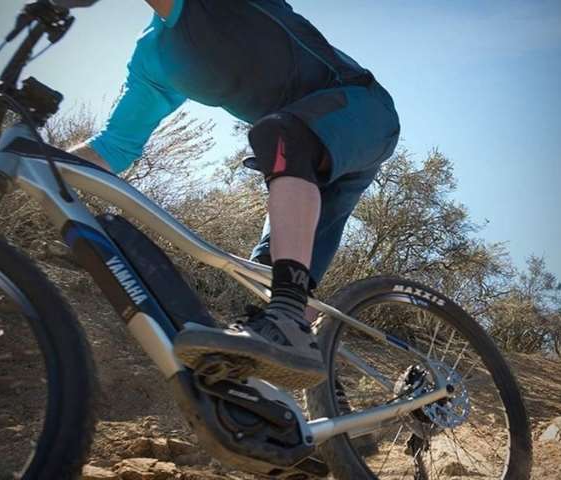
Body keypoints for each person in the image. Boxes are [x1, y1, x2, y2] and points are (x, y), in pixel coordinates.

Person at [65, 0, 400, 390]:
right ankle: (320, 407)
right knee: (265, 274)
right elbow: (113, 148)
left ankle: (289, 318)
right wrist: (31, 160)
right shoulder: (154, 59)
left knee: (279, 136)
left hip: (362, 112)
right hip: (304, 160)